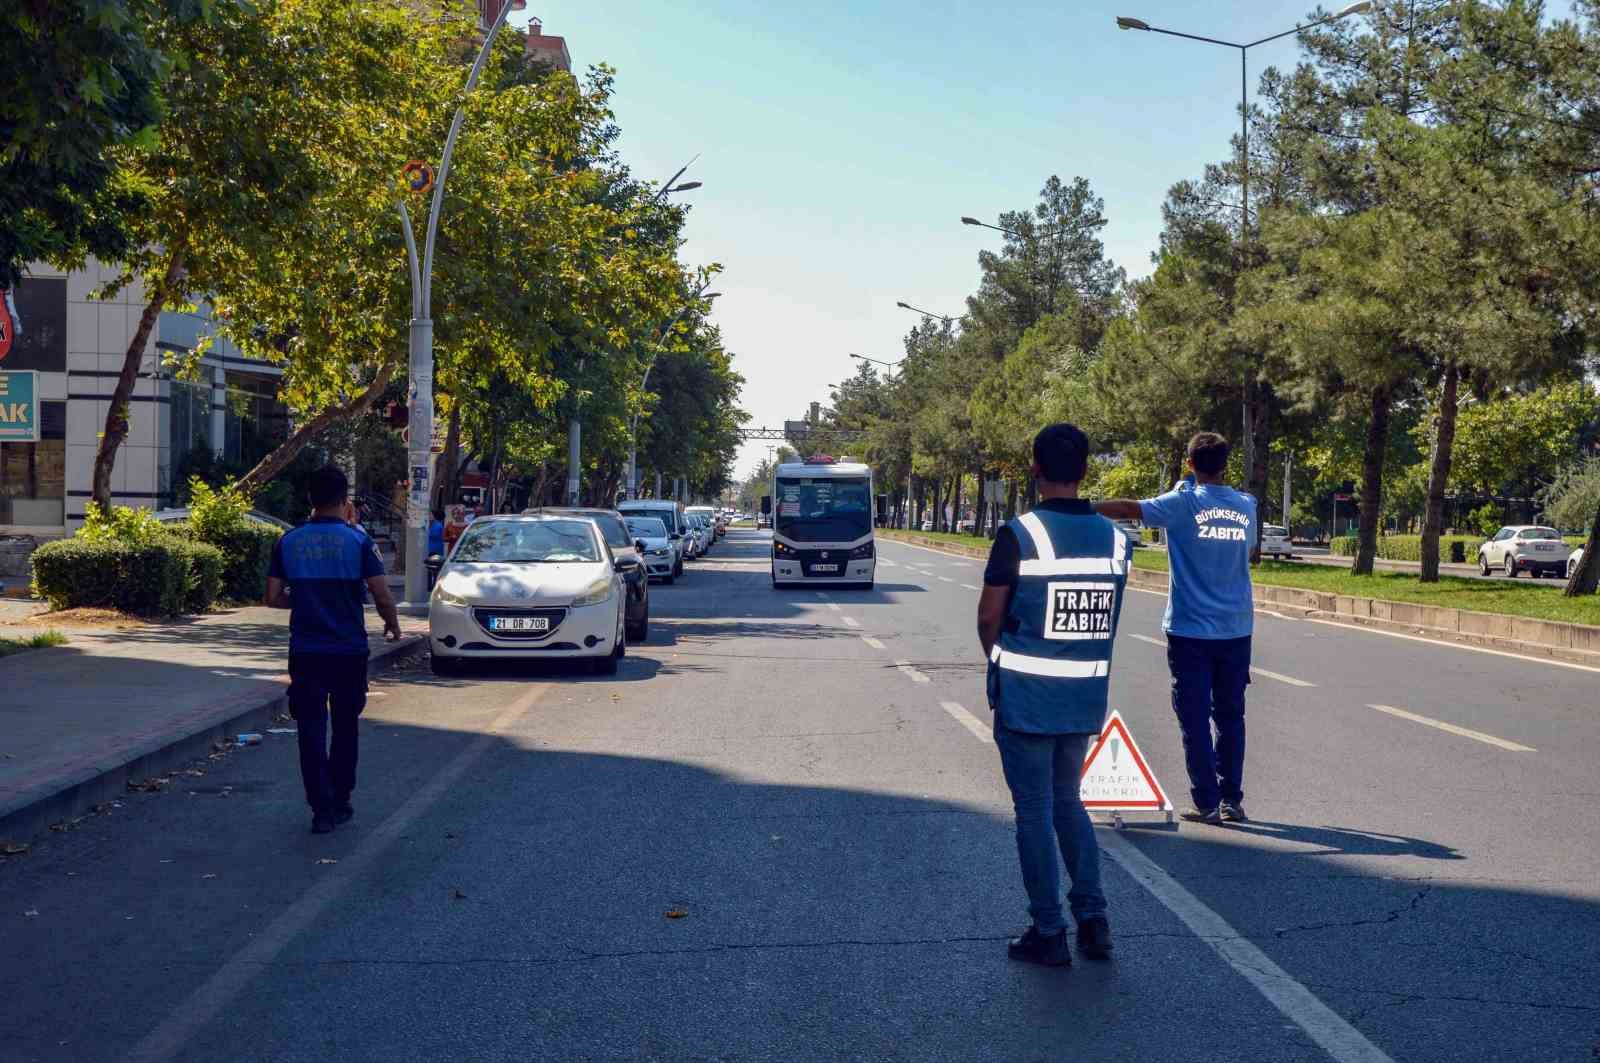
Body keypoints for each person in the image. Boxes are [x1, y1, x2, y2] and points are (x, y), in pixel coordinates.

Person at [977, 423, 1130, 968]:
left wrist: (999, 661)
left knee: (1035, 812)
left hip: (1026, 698)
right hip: (1082, 696)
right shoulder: (1117, 538)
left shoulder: (1020, 533)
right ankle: (1093, 918)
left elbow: (990, 615)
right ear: (1085, 470)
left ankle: (1049, 931)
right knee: (1070, 802)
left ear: (1035, 469)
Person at [1094, 431, 1257, 826]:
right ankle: (1231, 799)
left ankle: (1206, 801)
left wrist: (1078, 506)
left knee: (1194, 716)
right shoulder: (1247, 506)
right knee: (1231, 715)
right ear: (1225, 463)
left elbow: (1127, 507)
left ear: (1189, 464)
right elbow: (1248, 548)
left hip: (1189, 629)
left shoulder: (1181, 503)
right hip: (1236, 628)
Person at [266, 465, 403, 835]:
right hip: (348, 651)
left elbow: (272, 597)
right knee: (345, 727)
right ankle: (341, 798)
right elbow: (381, 593)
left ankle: (320, 809)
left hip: (306, 651)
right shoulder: (358, 542)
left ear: (309, 498)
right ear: (345, 502)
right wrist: (392, 624)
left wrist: (307, 600)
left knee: (310, 728)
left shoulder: (288, 541)